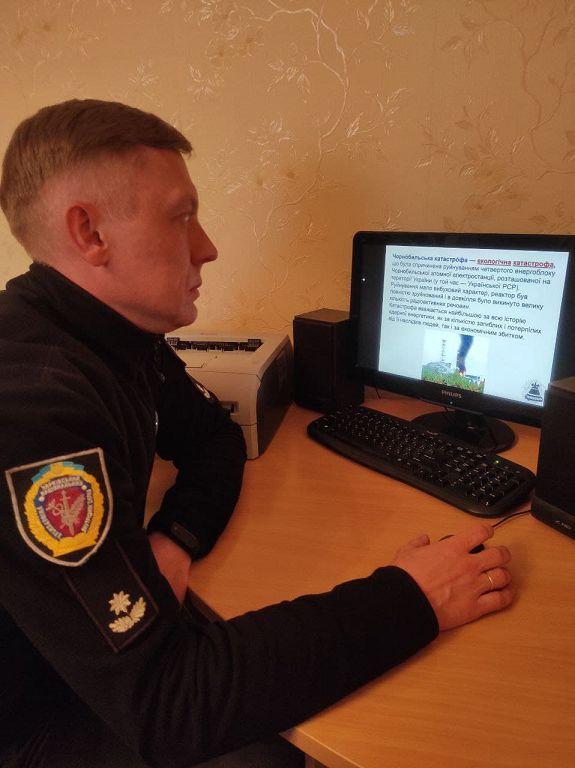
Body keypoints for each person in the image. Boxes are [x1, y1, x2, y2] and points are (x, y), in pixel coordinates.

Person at [0, 100, 514, 768]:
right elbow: (169, 705)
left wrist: (175, 538)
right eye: (181, 216)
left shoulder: (115, 336)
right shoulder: (34, 409)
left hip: (83, 661)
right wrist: (411, 598)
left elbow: (213, 438)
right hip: (31, 714)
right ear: (89, 232)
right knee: (281, 752)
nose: (207, 247)